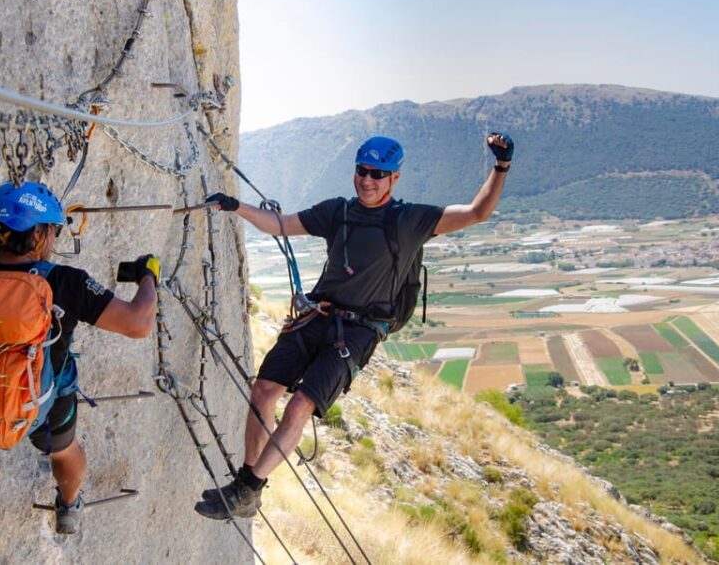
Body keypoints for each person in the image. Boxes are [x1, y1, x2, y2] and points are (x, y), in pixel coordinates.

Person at [194, 133, 514, 520]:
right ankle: (246, 485)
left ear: (394, 178)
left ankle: (247, 489)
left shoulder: (409, 220)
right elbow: (281, 224)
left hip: (358, 333)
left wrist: (501, 167)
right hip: (318, 314)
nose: (367, 180)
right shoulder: (338, 212)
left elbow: (478, 213)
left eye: (378, 173)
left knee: (300, 404)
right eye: (362, 170)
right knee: (262, 391)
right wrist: (235, 205)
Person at [0, 182, 159, 565]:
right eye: (54, 230)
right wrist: (148, 277)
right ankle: (68, 505)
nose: (55, 239)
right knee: (64, 450)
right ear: (38, 234)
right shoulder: (65, 282)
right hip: (46, 403)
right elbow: (138, 323)